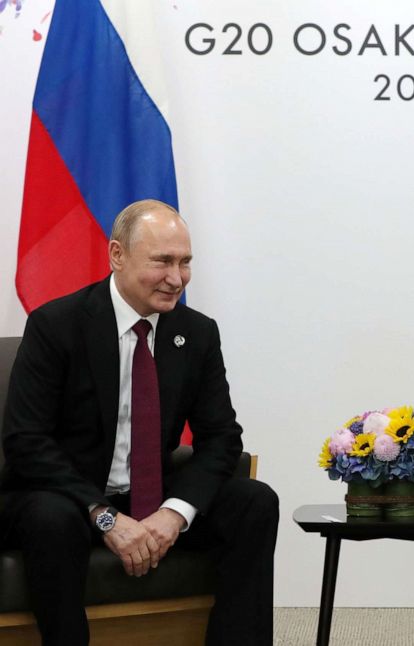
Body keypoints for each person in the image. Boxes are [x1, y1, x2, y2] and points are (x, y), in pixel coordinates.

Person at [0, 200, 279, 645]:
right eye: (163, 261)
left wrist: (175, 513)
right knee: (50, 517)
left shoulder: (198, 332)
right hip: (69, 500)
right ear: (117, 255)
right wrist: (106, 517)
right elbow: (26, 442)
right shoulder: (56, 324)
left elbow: (222, 438)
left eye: (185, 262)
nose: (177, 278)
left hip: (151, 498)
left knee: (253, 501)